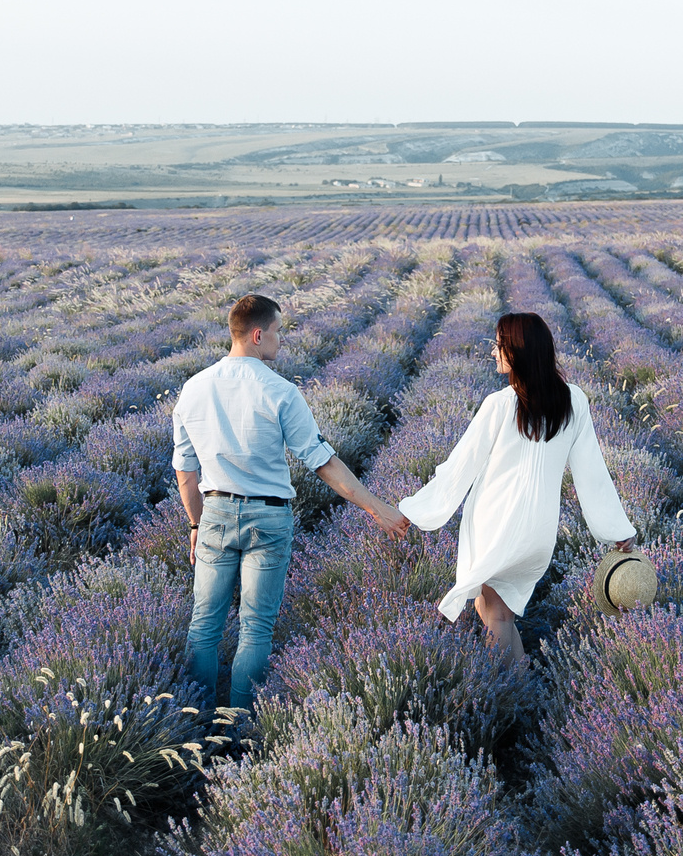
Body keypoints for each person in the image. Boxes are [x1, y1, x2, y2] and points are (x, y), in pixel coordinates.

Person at [172, 293, 407, 715]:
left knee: (203, 626)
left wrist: (195, 524)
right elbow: (323, 463)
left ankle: (195, 722)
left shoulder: (193, 388)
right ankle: (238, 729)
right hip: (268, 517)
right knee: (256, 629)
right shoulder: (280, 391)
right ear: (257, 335)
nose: (281, 341)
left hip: (215, 514)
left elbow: (185, 472)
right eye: (277, 332)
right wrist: (378, 509)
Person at [394, 312, 635, 665]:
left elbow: (459, 467)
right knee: (492, 608)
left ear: (518, 350)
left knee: (497, 615)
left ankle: (504, 693)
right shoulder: (573, 401)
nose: (493, 351)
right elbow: (592, 473)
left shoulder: (500, 404)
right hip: (539, 528)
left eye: (499, 345)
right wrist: (617, 529)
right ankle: (522, 686)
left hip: (497, 522)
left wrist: (415, 510)